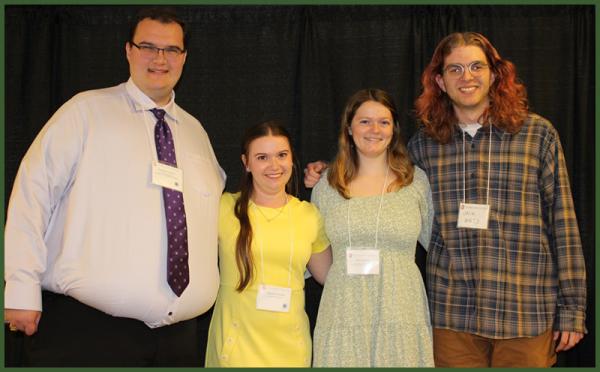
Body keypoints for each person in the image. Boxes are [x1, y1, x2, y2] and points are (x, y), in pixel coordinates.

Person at [305, 32, 587, 368]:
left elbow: (564, 222)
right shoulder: (425, 147)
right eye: (455, 69)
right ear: (439, 80)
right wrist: (324, 171)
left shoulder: (537, 136)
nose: (466, 77)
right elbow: (372, 172)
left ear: (494, 74)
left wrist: (572, 307)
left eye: (475, 67)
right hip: (454, 317)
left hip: (523, 312)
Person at [4, 7, 224, 366]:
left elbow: (219, 217)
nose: (159, 58)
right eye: (148, 46)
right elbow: (33, 195)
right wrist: (20, 289)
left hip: (178, 343)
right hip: (87, 334)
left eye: (171, 50)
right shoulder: (85, 113)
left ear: (184, 58)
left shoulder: (196, 133)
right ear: (128, 51)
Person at [309, 89, 434, 367]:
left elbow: (439, 246)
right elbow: (316, 252)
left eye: (384, 122)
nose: (374, 129)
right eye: (365, 121)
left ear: (394, 129)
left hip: (401, 313)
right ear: (349, 129)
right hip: (344, 313)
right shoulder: (327, 186)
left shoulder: (415, 182)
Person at [205, 121, 331, 367]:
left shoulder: (308, 215)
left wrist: (333, 178)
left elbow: (330, 276)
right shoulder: (223, 208)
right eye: (262, 157)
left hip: (291, 350)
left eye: (282, 155)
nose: (274, 165)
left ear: (292, 158)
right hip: (235, 350)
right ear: (246, 163)